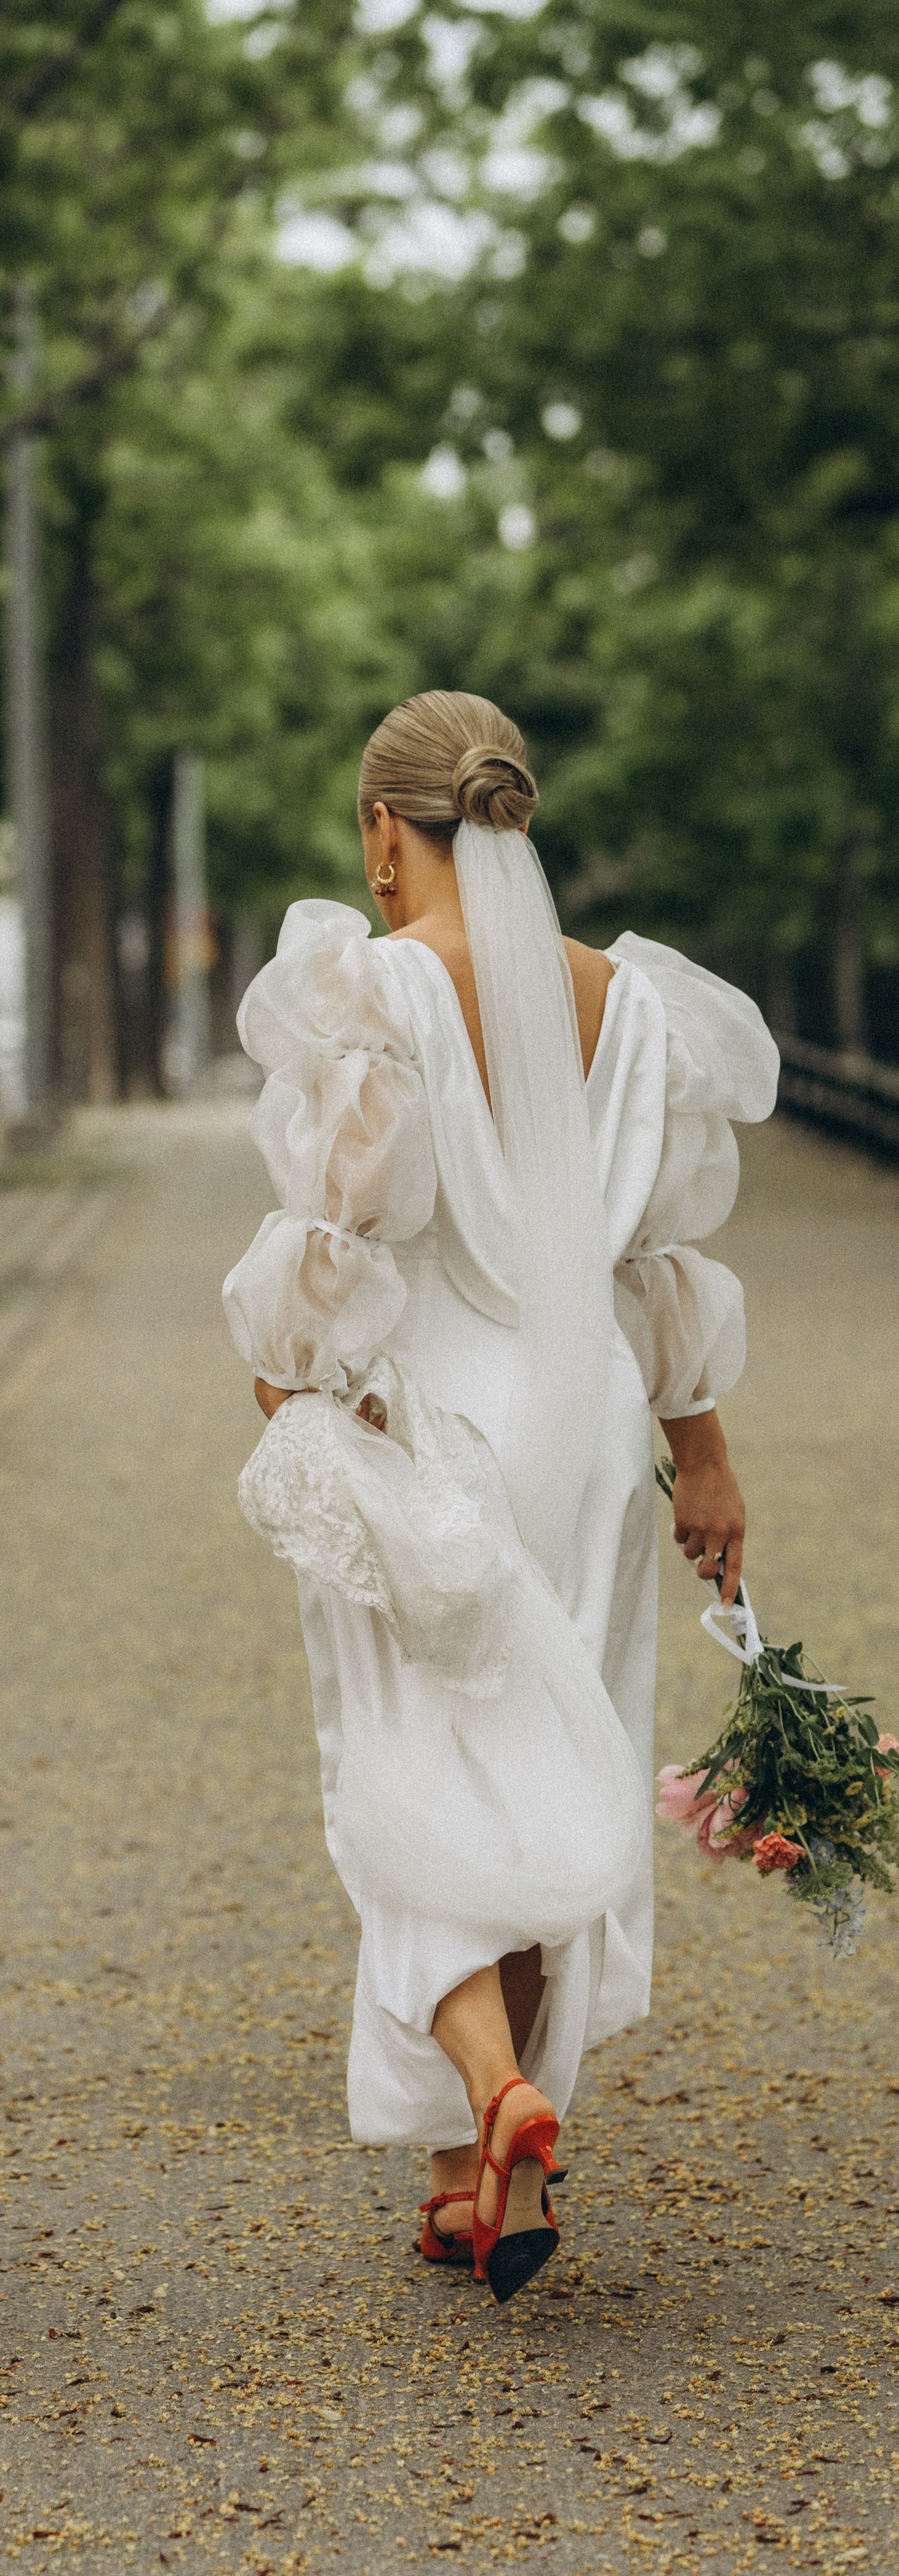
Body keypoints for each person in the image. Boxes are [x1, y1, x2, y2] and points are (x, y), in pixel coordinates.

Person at [223, 691, 777, 2303]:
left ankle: (488, 2095)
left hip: (433, 1424)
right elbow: (654, 1253)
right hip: (594, 1429)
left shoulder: (373, 993)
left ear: (384, 835)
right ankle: (484, 2186)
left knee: (408, 1778)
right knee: (552, 1761)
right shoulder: (626, 1003)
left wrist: (283, 1393)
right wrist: (704, 1453)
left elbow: (335, 1233)